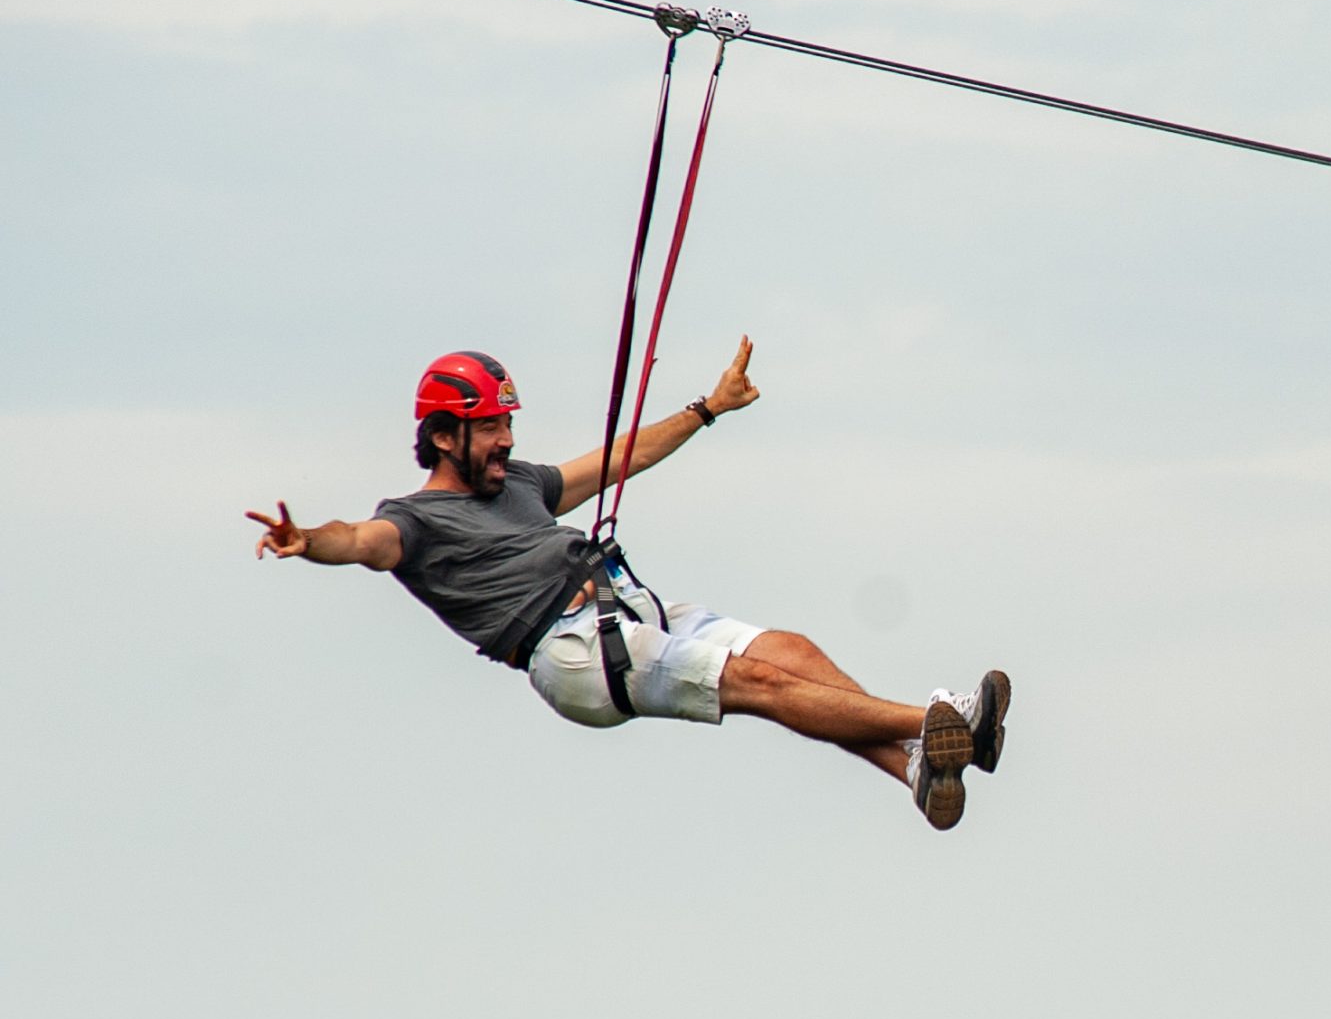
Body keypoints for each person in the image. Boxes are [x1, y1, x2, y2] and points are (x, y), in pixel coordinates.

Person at [247, 342, 1008, 830]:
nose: (508, 439)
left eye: (509, 423)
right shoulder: (413, 520)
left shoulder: (520, 484)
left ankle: (914, 761)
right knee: (760, 683)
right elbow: (360, 543)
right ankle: (941, 719)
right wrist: (307, 541)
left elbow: (621, 458)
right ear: (444, 435)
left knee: (789, 650)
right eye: (490, 428)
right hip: (571, 650)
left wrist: (708, 408)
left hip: (625, 607)